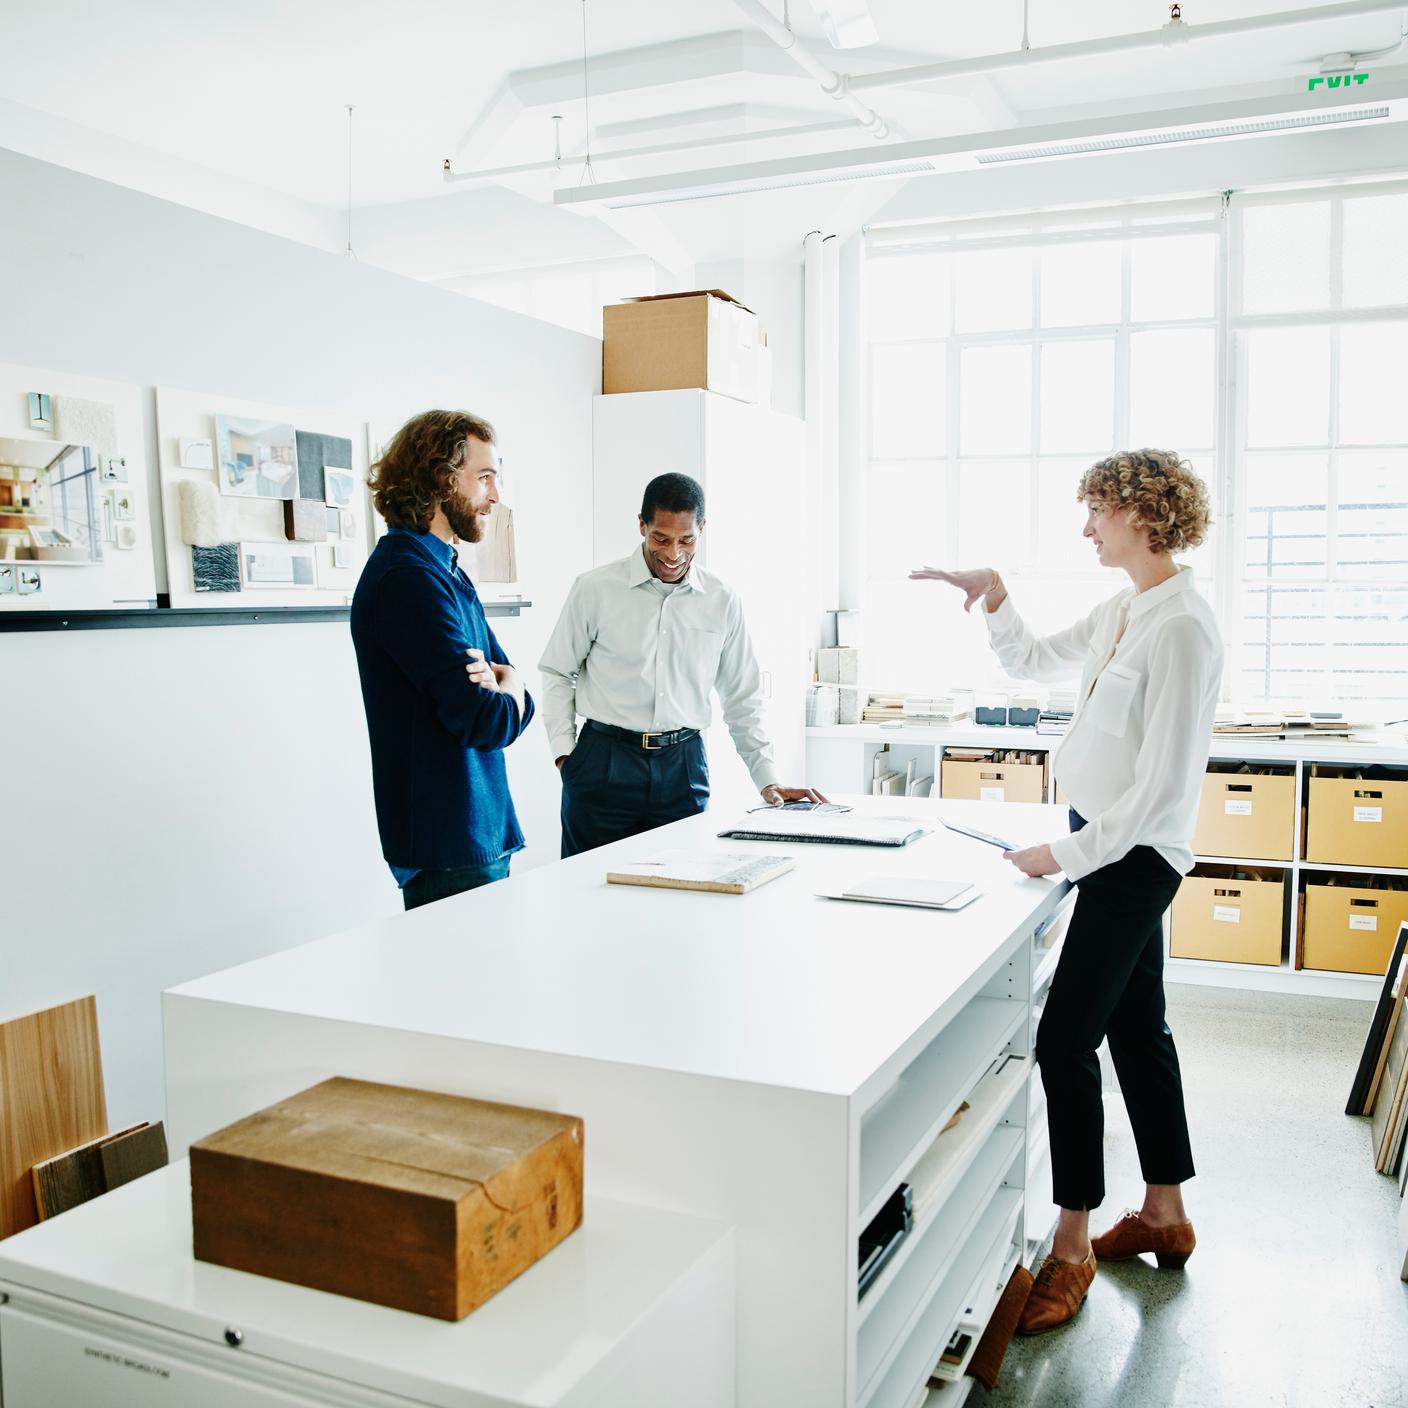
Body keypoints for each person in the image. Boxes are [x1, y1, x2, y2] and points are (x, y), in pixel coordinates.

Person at [911, 448, 1221, 1335]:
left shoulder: (1184, 629)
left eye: (1097, 513)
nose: (1086, 528)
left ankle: (1072, 1243)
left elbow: (1161, 792)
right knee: (1137, 1026)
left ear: (1144, 516)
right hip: (1106, 843)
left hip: (1131, 854)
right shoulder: (1127, 609)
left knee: (1063, 1038)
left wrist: (1066, 852)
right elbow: (1037, 663)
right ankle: (1165, 1213)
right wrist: (998, 596)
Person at [539, 471, 823, 857]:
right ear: (642, 525)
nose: (673, 554)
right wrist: (564, 756)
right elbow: (557, 671)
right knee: (590, 895)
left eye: (687, 540)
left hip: (683, 768)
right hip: (603, 762)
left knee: (682, 896)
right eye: (661, 538)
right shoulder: (594, 589)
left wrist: (767, 779)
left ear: (702, 528)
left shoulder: (722, 600)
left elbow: (743, 697)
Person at [351, 410, 534, 910]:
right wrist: (508, 686)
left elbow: (518, 700)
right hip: (447, 844)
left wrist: (510, 680)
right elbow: (484, 718)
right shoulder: (407, 579)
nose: (495, 496)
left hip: (478, 832)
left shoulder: (446, 572)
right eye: (484, 477)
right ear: (440, 478)